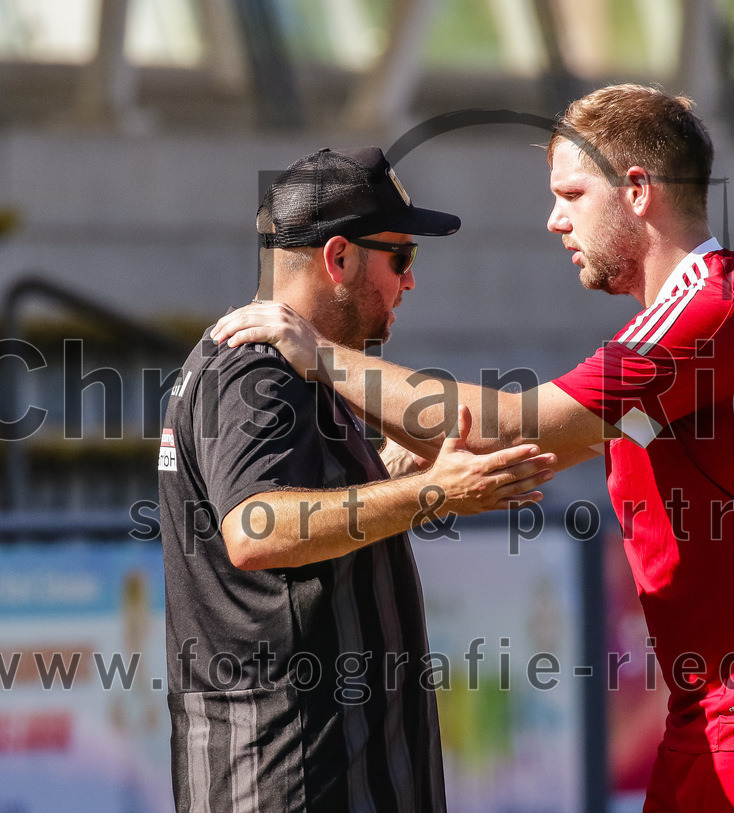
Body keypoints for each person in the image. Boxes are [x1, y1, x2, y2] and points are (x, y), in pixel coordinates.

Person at [212, 86, 734, 812]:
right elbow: (528, 446)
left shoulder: (707, 315)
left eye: (571, 193)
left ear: (637, 191)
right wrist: (392, 471)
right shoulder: (684, 317)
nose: (554, 220)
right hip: (722, 706)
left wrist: (318, 356)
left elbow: (513, 424)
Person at [158, 146, 555, 812]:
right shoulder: (260, 371)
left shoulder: (298, 363)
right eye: (402, 257)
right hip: (301, 778)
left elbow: (309, 493)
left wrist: (409, 466)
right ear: (338, 258)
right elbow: (256, 528)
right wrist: (434, 493)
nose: (410, 281)